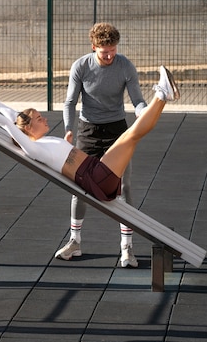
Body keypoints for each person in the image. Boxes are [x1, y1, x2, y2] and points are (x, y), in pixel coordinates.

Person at [0, 66, 179, 221]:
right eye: (39, 119)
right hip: (96, 177)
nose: (44, 119)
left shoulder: (40, 139)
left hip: (96, 168)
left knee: (133, 135)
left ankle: (163, 95)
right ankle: (162, 95)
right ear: (28, 129)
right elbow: (8, 124)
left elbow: (14, 116)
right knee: (133, 134)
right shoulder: (34, 149)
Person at [58, 22, 147, 267]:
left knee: (123, 185)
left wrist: (144, 112)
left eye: (113, 50)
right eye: (104, 51)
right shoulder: (81, 66)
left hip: (116, 129)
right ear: (94, 47)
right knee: (79, 187)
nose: (109, 55)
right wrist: (67, 129)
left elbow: (137, 99)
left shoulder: (125, 66)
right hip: (87, 130)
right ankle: (74, 241)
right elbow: (69, 102)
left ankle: (127, 247)